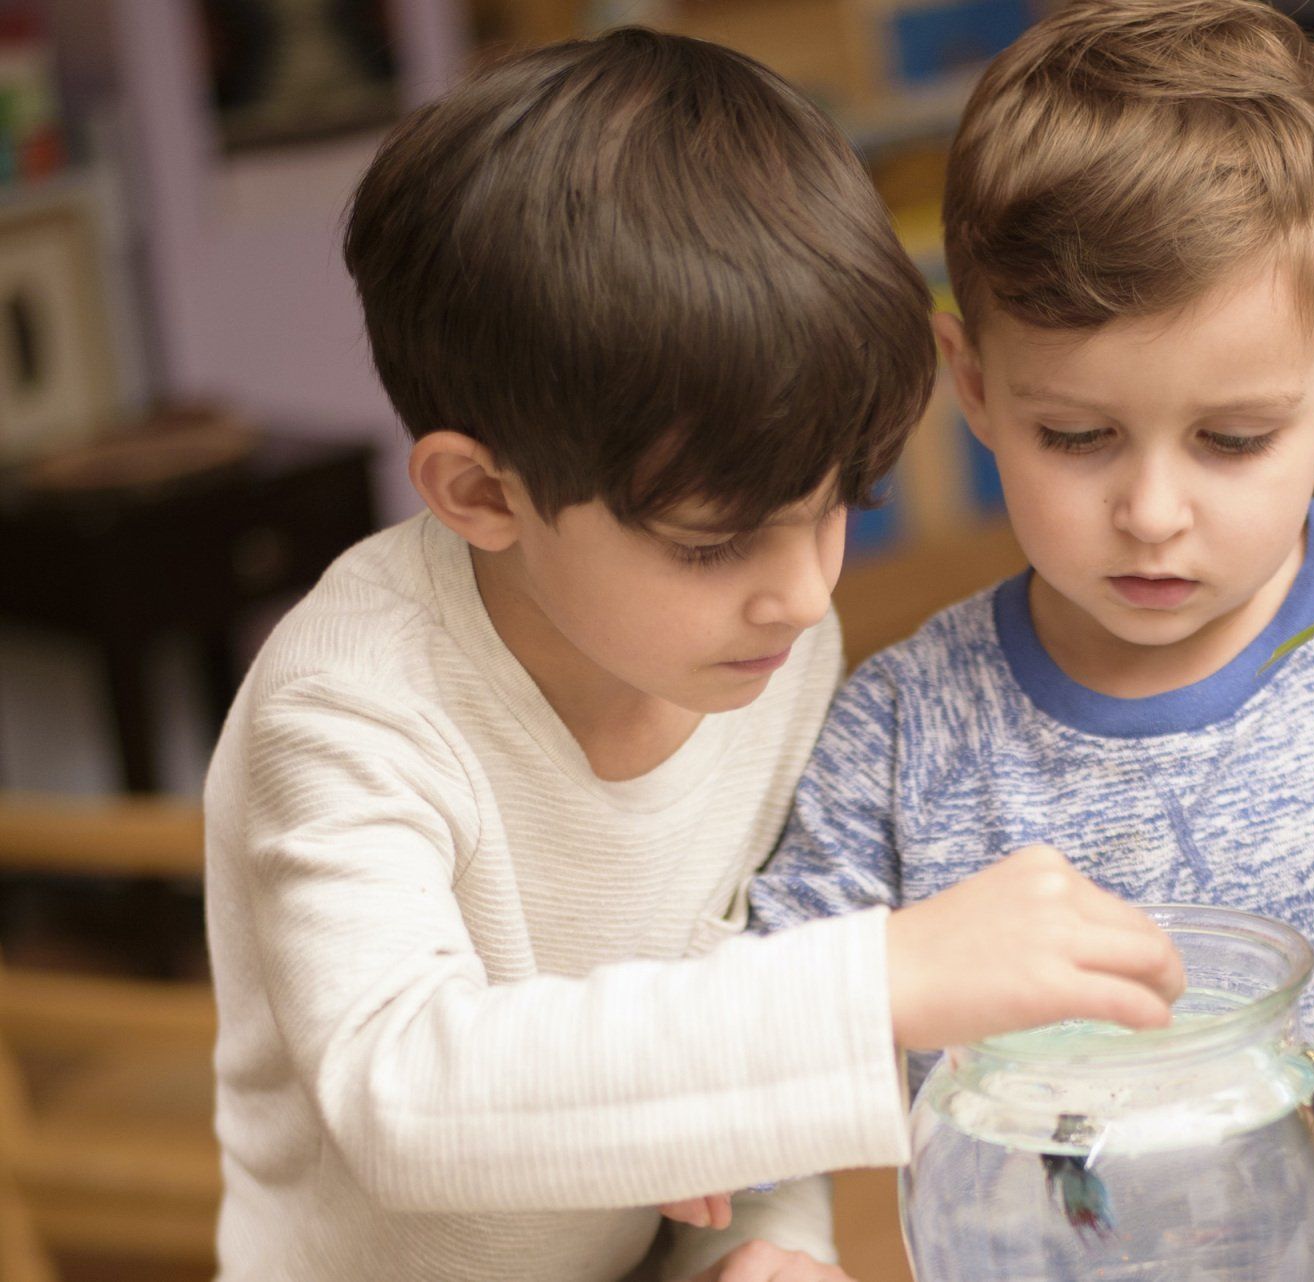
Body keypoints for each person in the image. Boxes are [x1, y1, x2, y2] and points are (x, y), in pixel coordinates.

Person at [202, 27, 1183, 1282]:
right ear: (481, 494)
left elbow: (724, 1012)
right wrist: (883, 974)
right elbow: (404, 1093)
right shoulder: (348, 711)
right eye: (715, 544)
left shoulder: (764, 656)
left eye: (842, 504)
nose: (804, 591)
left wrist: (774, 1235)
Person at [750, 2, 1314, 1277]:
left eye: (1230, 441)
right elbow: (780, 999)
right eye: (1077, 436)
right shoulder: (904, 722)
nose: (1154, 515)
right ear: (977, 384)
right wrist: (762, 1226)